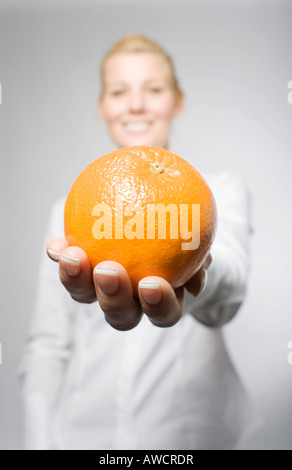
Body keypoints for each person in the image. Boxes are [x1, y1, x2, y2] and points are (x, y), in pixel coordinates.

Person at [18, 34, 257, 450]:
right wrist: (38, 441)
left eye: (154, 89)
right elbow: (48, 344)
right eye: (119, 91)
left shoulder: (216, 193)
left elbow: (231, 285)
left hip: (193, 438)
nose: (135, 105)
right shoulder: (69, 211)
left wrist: (193, 268)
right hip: (83, 436)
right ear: (103, 106)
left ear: (177, 102)